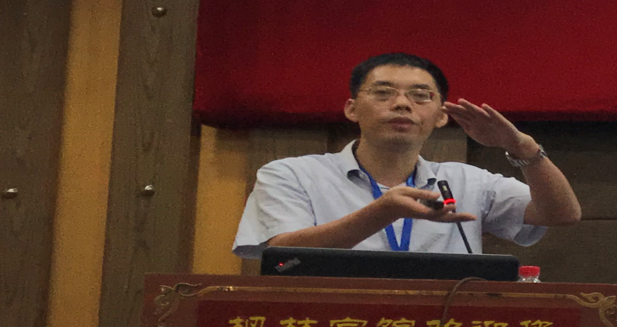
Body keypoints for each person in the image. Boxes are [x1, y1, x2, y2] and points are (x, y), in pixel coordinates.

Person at [233, 52, 582, 260]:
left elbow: (562, 214)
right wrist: (383, 211)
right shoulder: (292, 173)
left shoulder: (467, 181)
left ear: (441, 116)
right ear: (352, 109)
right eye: (383, 93)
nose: (401, 104)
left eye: (420, 95)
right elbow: (282, 253)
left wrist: (524, 148)